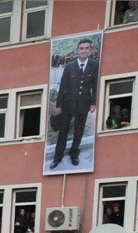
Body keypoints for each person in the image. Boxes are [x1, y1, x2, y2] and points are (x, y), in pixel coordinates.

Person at [51, 39, 98, 169]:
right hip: (67, 105)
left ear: (90, 50)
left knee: (79, 131)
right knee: (63, 131)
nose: (84, 50)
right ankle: (57, 157)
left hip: (83, 104)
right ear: (78, 50)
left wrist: (93, 103)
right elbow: (62, 87)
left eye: (86, 48)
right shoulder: (69, 67)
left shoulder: (94, 65)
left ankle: (74, 154)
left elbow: (95, 85)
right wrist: (59, 105)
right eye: (81, 48)